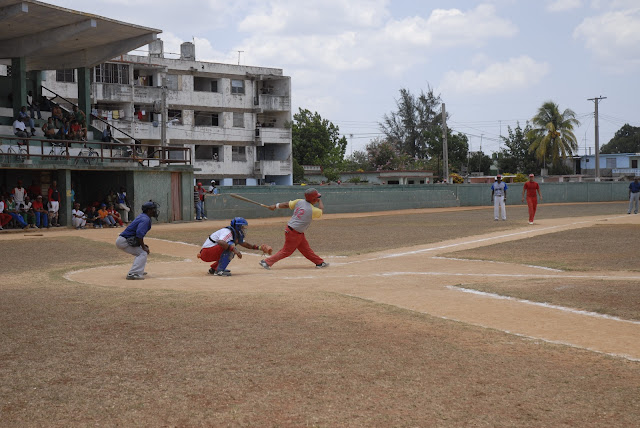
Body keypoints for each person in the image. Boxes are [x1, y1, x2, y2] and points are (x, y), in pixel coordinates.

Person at [259, 188, 329, 270]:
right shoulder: (312, 210)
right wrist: (320, 201)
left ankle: (319, 262)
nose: (318, 198)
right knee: (287, 251)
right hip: (294, 233)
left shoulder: (300, 201)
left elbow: (286, 204)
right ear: (313, 199)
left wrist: (275, 206)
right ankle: (266, 262)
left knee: (306, 249)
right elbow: (321, 210)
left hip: (294, 231)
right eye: (316, 197)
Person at [198, 217, 272, 276]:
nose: (243, 229)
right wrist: (234, 250)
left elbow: (245, 244)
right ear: (238, 226)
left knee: (231, 246)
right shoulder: (227, 232)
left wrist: (259, 248)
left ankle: (214, 269)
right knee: (230, 246)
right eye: (242, 227)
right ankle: (219, 271)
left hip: (209, 252)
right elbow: (221, 242)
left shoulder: (234, 234)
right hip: (206, 252)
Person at [115, 200, 159, 280]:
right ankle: (133, 273)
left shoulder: (143, 216)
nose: (155, 211)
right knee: (142, 253)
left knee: (141, 252)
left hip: (125, 240)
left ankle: (138, 270)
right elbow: (139, 233)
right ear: (148, 210)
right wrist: (143, 246)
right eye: (153, 209)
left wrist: (142, 245)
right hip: (124, 241)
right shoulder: (145, 219)